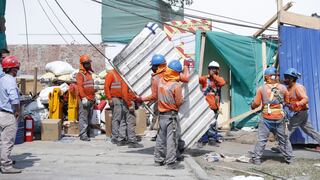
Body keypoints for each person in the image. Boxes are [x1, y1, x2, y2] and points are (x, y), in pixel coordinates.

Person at [250, 67, 293, 165]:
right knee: (284, 139)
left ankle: (256, 159)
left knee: (262, 139)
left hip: (266, 118)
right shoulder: (283, 88)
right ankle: (289, 159)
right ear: (275, 76)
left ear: (267, 77)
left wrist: (252, 105)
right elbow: (287, 101)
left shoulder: (261, 89)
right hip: (279, 118)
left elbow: (256, 104)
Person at [271, 68, 320, 152]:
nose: (285, 79)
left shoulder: (297, 88)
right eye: (284, 77)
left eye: (286, 78)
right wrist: (276, 77)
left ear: (292, 79)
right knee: (309, 130)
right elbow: (281, 83)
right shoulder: (290, 87)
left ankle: (282, 147)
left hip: (301, 112)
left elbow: (305, 99)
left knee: (287, 129)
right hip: (301, 113)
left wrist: (296, 104)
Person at [154, 60, 184, 169]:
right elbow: (179, 102)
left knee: (160, 138)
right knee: (171, 139)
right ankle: (170, 163)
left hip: (161, 115)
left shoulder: (161, 81)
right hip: (171, 116)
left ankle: (158, 160)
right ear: (176, 72)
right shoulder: (176, 85)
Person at [0, 56, 21, 173]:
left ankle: (1, 161)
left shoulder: (1, 79)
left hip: (0, 113)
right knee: (7, 141)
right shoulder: (10, 80)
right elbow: (14, 99)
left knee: (1, 141)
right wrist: (17, 111)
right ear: (13, 69)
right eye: (16, 69)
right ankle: (6, 166)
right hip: (8, 115)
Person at [197, 60, 225, 147]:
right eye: (211, 69)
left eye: (214, 69)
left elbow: (222, 83)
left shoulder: (219, 79)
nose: (212, 70)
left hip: (215, 106)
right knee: (204, 123)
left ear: (217, 70)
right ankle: (203, 139)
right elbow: (197, 79)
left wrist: (214, 76)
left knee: (213, 123)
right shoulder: (205, 79)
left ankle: (212, 139)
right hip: (205, 106)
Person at [76, 54, 95, 141]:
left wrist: (94, 96)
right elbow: (80, 87)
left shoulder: (89, 74)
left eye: (88, 63)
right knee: (83, 117)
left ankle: (87, 133)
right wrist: (83, 97)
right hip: (85, 99)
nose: (88, 65)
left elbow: (91, 86)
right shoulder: (80, 75)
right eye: (86, 63)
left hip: (91, 99)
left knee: (88, 117)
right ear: (82, 64)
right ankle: (83, 135)